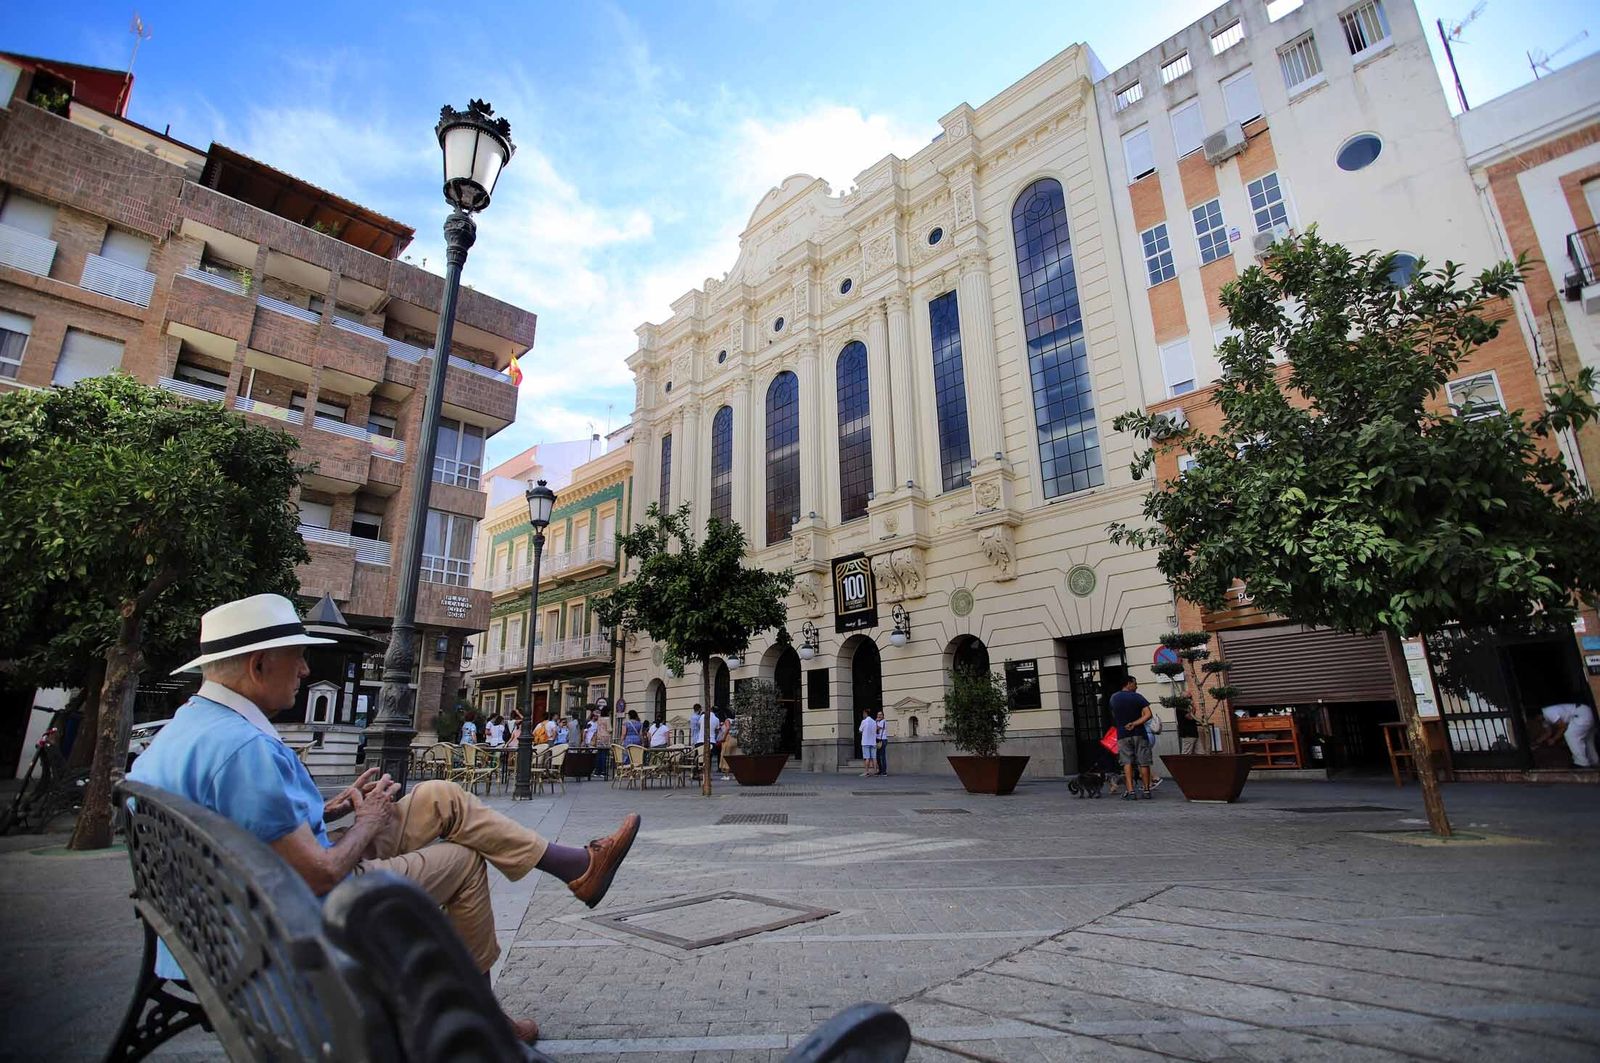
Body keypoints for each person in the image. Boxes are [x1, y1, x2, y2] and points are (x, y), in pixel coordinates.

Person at [128, 594, 642, 1045]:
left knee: (442, 796)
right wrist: (370, 822)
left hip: (224, 917)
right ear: (260, 666)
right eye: (299, 657)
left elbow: (251, 823)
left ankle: (575, 866)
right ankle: (484, 1018)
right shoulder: (242, 747)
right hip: (286, 923)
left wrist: (327, 809)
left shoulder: (191, 728)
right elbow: (320, 875)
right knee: (463, 862)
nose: (306, 670)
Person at [1110, 676, 1155, 801]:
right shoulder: (1138, 697)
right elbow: (1148, 715)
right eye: (1135, 684)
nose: (1136, 686)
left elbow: (1114, 715)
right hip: (1139, 733)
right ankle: (1146, 790)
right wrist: (1135, 723)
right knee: (1143, 762)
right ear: (1129, 684)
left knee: (1127, 762)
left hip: (1122, 734)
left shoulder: (1114, 698)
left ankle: (1131, 791)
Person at [1535, 700, 1598, 768]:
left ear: (1538, 715)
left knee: (1570, 735)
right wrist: (1537, 742)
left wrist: (1554, 739)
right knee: (1587, 740)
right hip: (1585, 715)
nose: (1536, 720)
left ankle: (1582, 764)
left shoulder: (1548, 712)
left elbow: (1563, 727)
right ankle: (1595, 762)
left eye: (1535, 718)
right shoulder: (1543, 719)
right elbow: (1548, 732)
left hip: (1583, 714)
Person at [859, 712, 879, 777]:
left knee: (866, 757)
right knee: (874, 757)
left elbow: (860, 730)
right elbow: (876, 731)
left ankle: (866, 772)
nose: (863, 715)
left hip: (865, 742)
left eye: (863, 714)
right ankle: (875, 771)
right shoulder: (874, 722)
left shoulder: (864, 721)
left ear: (865, 714)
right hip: (873, 742)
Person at [874, 709, 888, 777]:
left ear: (883, 716)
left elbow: (877, 728)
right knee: (877, 756)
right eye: (878, 714)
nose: (879, 716)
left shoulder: (883, 721)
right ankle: (880, 770)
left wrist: (875, 722)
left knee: (882, 756)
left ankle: (884, 771)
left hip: (883, 740)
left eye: (880, 715)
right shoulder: (877, 722)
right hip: (878, 740)